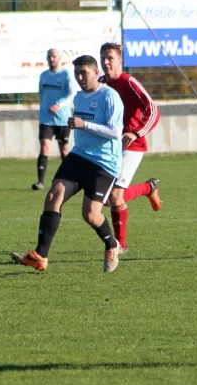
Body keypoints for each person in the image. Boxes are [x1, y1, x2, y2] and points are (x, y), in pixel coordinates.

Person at [12, 55, 125, 273]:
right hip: (79, 156)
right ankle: (40, 255)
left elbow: (115, 133)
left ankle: (112, 245)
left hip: (104, 163)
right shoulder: (79, 97)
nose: (80, 77)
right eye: (77, 74)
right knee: (54, 195)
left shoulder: (110, 96)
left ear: (95, 72)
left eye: (84, 73)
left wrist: (85, 124)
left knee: (90, 214)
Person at [99, 42, 162, 255]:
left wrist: (135, 132)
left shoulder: (129, 82)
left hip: (132, 145)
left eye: (110, 58)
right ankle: (147, 188)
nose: (106, 62)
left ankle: (120, 245)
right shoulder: (100, 84)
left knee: (115, 196)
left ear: (119, 61)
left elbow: (153, 110)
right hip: (109, 148)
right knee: (107, 199)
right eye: (103, 58)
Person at [32, 48, 79, 191]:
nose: (51, 59)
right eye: (49, 56)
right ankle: (40, 182)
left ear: (59, 58)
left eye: (54, 56)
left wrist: (60, 105)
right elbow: (41, 94)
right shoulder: (44, 75)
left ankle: (70, 179)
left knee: (64, 150)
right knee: (44, 147)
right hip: (46, 119)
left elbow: (72, 93)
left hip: (63, 119)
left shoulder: (66, 74)